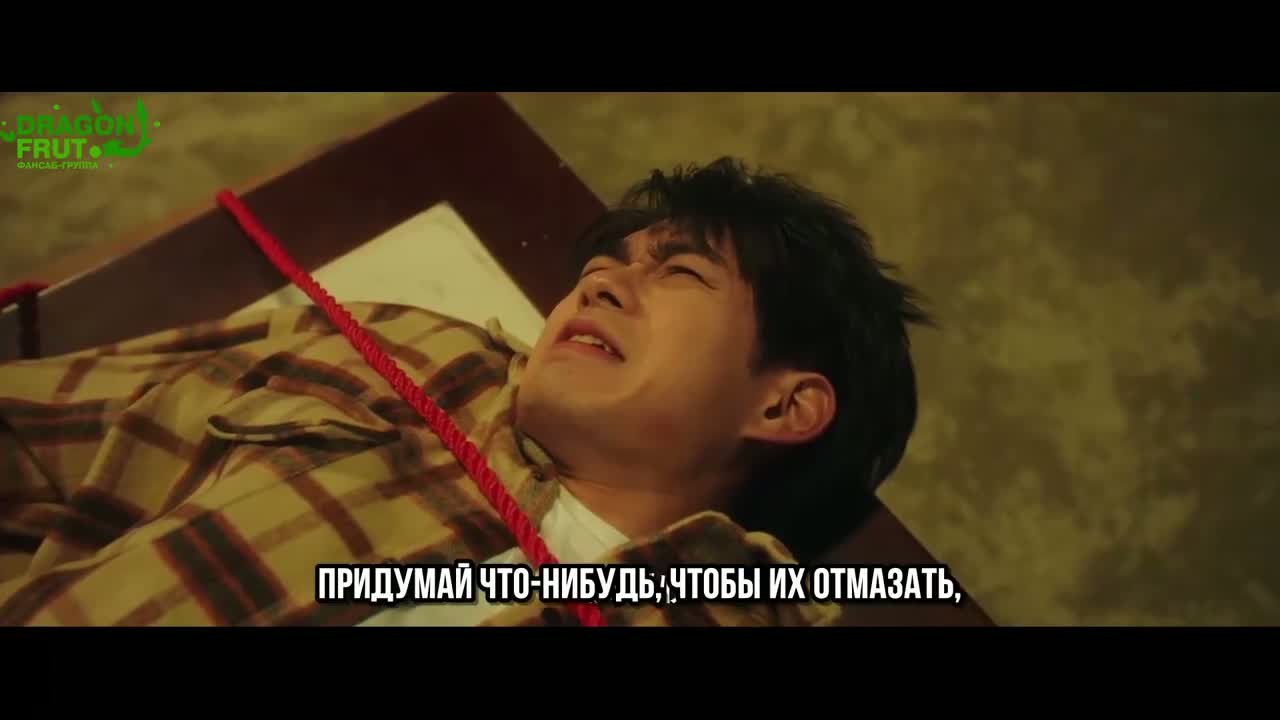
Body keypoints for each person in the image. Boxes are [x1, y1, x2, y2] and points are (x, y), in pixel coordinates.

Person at [0, 157, 930, 626]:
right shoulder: (406, 356)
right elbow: (34, 427)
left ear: (782, 406)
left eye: (679, 273)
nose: (601, 282)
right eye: (605, 265)